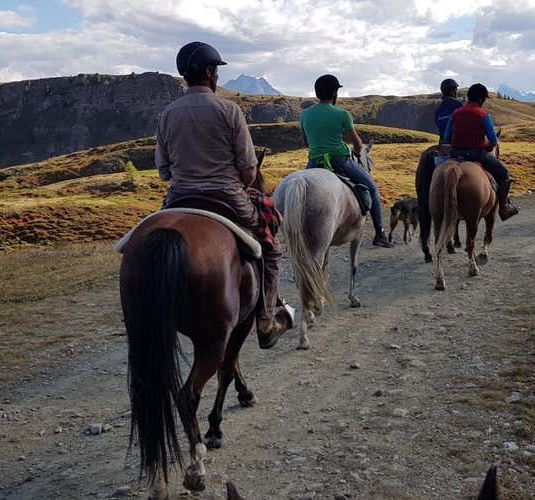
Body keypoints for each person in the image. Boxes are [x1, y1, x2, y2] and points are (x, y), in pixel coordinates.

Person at [155, 41, 291, 346]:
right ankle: (266, 321)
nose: (217, 75)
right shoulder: (229, 110)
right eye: (216, 70)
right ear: (209, 72)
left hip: (178, 199)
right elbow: (249, 171)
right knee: (269, 247)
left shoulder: (167, 114)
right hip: (228, 198)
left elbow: (164, 171)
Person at [299, 74, 394, 248]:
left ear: (317, 93)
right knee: (372, 188)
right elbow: (357, 144)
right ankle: (379, 233)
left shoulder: (305, 115)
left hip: (314, 162)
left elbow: (305, 142)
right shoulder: (342, 114)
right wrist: (356, 153)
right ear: (335, 93)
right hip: (340, 160)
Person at [444, 83, 518, 220]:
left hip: (455, 154)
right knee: (504, 173)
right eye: (484, 99)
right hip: (476, 153)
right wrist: (488, 145)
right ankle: (503, 207)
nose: (484, 101)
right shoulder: (483, 115)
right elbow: (493, 141)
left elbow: (446, 137)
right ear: (480, 99)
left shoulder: (455, 113)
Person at [434, 78, 462, 144]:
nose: (456, 91)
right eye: (455, 89)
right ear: (452, 90)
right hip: (456, 143)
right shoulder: (458, 105)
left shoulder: (438, 109)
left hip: (442, 143)